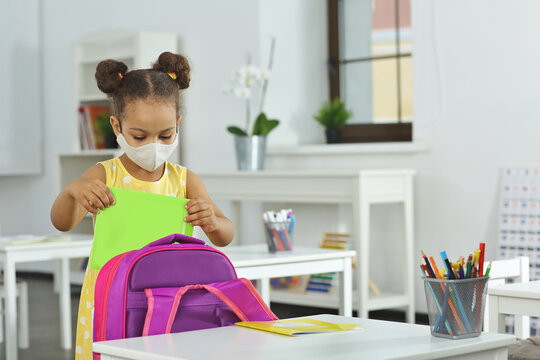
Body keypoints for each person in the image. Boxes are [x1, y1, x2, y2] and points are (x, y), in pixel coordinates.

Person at [50, 52, 234, 359]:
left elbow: (225, 235)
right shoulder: (103, 175)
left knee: (163, 351)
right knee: (109, 351)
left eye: (165, 135)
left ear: (178, 124)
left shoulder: (185, 180)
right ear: (117, 126)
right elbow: (62, 222)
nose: (154, 146)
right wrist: (72, 191)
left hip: (171, 292)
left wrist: (213, 222)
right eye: (139, 136)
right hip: (110, 293)